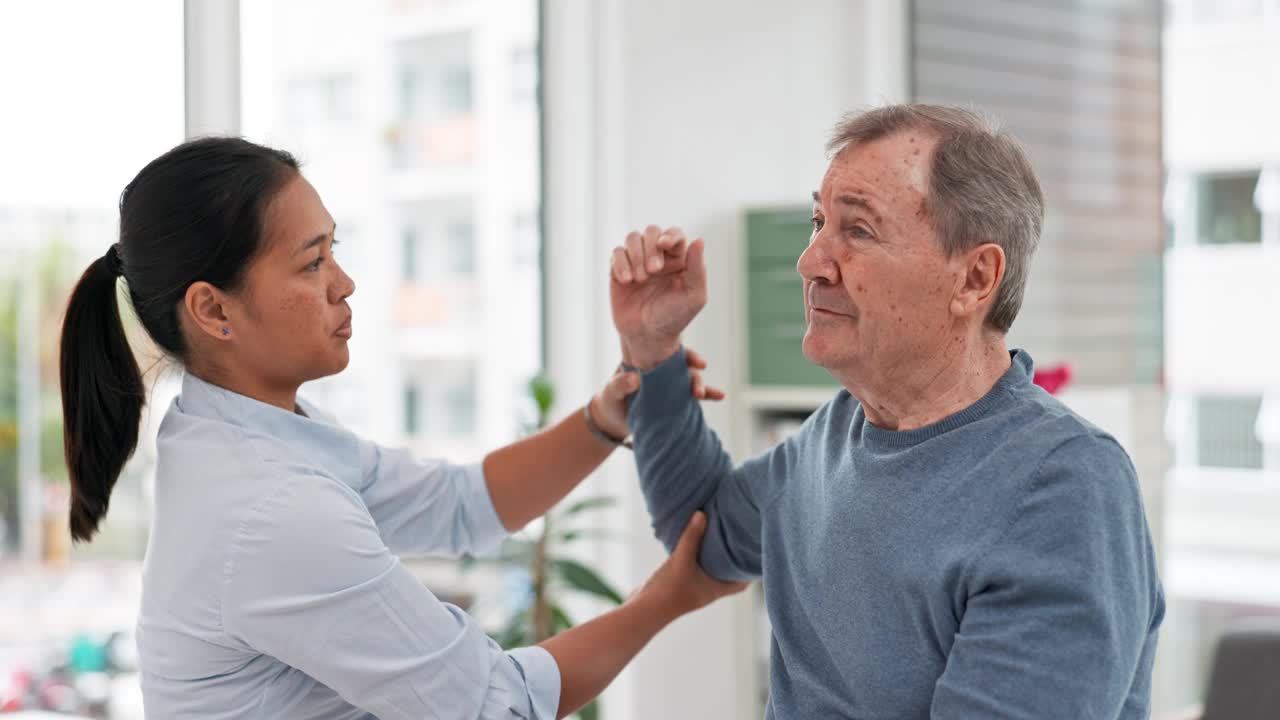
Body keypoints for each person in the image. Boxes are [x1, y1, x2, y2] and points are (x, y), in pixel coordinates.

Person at [57, 136, 745, 719]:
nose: (344, 283)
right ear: (213, 311)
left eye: (334, 249)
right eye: (312, 262)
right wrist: (670, 596)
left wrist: (607, 414)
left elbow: (456, 505)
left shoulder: (239, 434)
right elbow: (497, 704)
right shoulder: (271, 509)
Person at [608, 104, 1165, 718]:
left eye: (859, 231)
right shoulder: (834, 435)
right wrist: (651, 351)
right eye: (818, 222)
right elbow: (699, 531)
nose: (811, 262)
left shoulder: (1063, 486)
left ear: (975, 279)